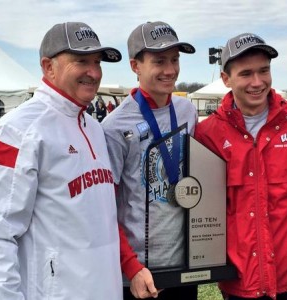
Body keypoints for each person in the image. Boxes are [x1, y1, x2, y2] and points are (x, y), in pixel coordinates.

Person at [0, 22, 123, 299]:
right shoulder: (17, 131)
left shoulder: (95, 129)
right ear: (48, 66)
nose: (94, 72)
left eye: (97, 62)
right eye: (81, 61)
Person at [194, 33, 287, 300]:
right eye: (246, 73)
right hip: (241, 278)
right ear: (226, 79)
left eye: (264, 71)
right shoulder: (208, 134)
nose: (257, 82)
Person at [101, 21, 198, 300]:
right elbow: (105, 206)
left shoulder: (187, 111)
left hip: (182, 267)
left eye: (174, 60)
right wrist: (131, 267)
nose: (170, 70)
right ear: (135, 66)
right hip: (138, 274)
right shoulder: (114, 126)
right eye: (159, 61)